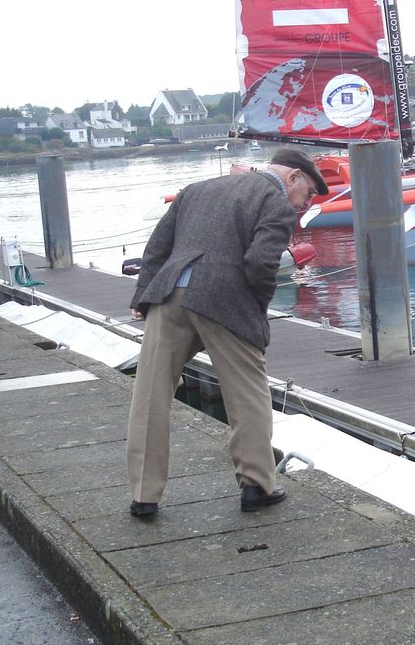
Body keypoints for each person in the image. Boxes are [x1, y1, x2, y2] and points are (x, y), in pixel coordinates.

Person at [125, 147, 328, 518]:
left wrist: (143, 295)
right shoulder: (275, 201)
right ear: (293, 177)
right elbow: (260, 263)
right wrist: (257, 309)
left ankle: (144, 496)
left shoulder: (196, 189)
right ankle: (257, 485)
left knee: (150, 397)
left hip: (170, 295)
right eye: (310, 193)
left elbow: (158, 247)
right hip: (224, 300)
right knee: (247, 396)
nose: (304, 202)